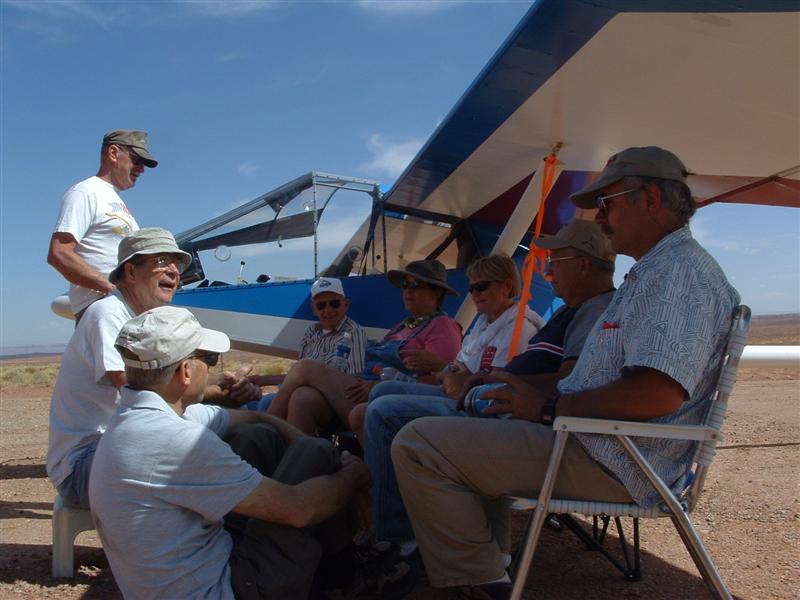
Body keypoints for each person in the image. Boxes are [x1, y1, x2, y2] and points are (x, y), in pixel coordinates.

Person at [391, 146, 740, 599]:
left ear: (652, 199)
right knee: (459, 424)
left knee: (418, 445)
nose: (600, 218)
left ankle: (480, 584)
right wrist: (530, 395)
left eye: (608, 203)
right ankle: (487, 568)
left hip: (614, 458)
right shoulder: (659, 270)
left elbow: (657, 394)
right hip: (598, 442)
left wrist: (548, 407)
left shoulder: (677, 274)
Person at [362, 219, 616, 564]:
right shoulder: (570, 312)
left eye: (555, 262)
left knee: (383, 412)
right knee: (382, 397)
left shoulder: (586, 312)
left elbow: (570, 382)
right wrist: (471, 379)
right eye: (471, 288)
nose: (548, 273)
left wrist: (479, 381)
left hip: (512, 412)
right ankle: (405, 528)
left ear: (583, 265)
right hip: (490, 396)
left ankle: (401, 538)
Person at [89, 306, 372, 599]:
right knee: (315, 453)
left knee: (257, 437)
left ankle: (333, 572)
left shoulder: (136, 419)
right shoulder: (177, 440)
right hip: (225, 590)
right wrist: (349, 475)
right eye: (209, 360)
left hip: (191, 574)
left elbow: (258, 417)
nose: (211, 369)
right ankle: (345, 576)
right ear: (185, 371)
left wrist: (332, 460)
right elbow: (298, 509)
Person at [46, 228, 256, 509]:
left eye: (178, 264)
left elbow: (166, 382)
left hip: (119, 445)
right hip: (86, 462)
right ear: (131, 271)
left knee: (240, 438)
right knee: (212, 453)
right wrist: (221, 395)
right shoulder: (108, 313)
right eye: (162, 261)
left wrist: (223, 383)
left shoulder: (138, 317)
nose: (174, 271)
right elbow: (140, 390)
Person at [348, 253, 545, 440]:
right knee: (380, 392)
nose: (475, 294)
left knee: (377, 408)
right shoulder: (483, 325)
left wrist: (443, 368)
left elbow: (494, 386)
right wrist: (449, 370)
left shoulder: (519, 330)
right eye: (472, 288)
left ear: (507, 286)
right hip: (459, 393)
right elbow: (458, 369)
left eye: (481, 286)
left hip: (478, 407)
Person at [267, 259, 462, 435]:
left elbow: (440, 382)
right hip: (361, 390)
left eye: (417, 285)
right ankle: (304, 459)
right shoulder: (402, 326)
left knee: (305, 367)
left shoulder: (442, 326)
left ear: (437, 292)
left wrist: (380, 386)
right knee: (301, 398)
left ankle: (266, 427)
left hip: (385, 399)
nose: (408, 291)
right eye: (405, 285)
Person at [48, 130, 158, 320]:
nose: (141, 169)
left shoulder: (113, 199)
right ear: (113, 153)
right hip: (103, 309)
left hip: (122, 310)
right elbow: (59, 254)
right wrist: (112, 288)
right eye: (137, 160)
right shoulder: (85, 192)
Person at [245, 277, 368, 411]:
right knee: (266, 402)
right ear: (314, 309)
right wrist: (262, 380)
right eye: (321, 306)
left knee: (301, 397)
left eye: (334, 303)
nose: (328, 310)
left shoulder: (353, 332)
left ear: (346, 304)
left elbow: (351, 379)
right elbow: (298, 376)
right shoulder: (312, 332)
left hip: (336, 399)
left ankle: (272, 418)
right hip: (305, 392)